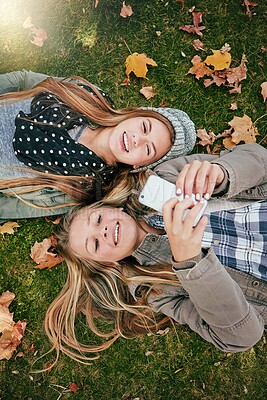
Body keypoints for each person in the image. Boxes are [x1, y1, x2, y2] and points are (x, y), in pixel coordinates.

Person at [44, 143, 267, 365]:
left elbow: (258, 158)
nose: (102, 231)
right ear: (108, 263)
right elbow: (241, 337)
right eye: (94, 244)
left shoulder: (160, 180)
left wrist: (223, 173)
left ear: (112, 208)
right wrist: (190, 263)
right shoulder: (156, 289)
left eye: (99, 219)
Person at [0, 70, 196, 221]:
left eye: (148, 149)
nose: (138, 140)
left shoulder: (84, 187)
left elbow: (20, 206)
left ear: (139, 166)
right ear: (135, 114)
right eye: (145, 127)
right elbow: (24, 80)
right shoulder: (89, 97)